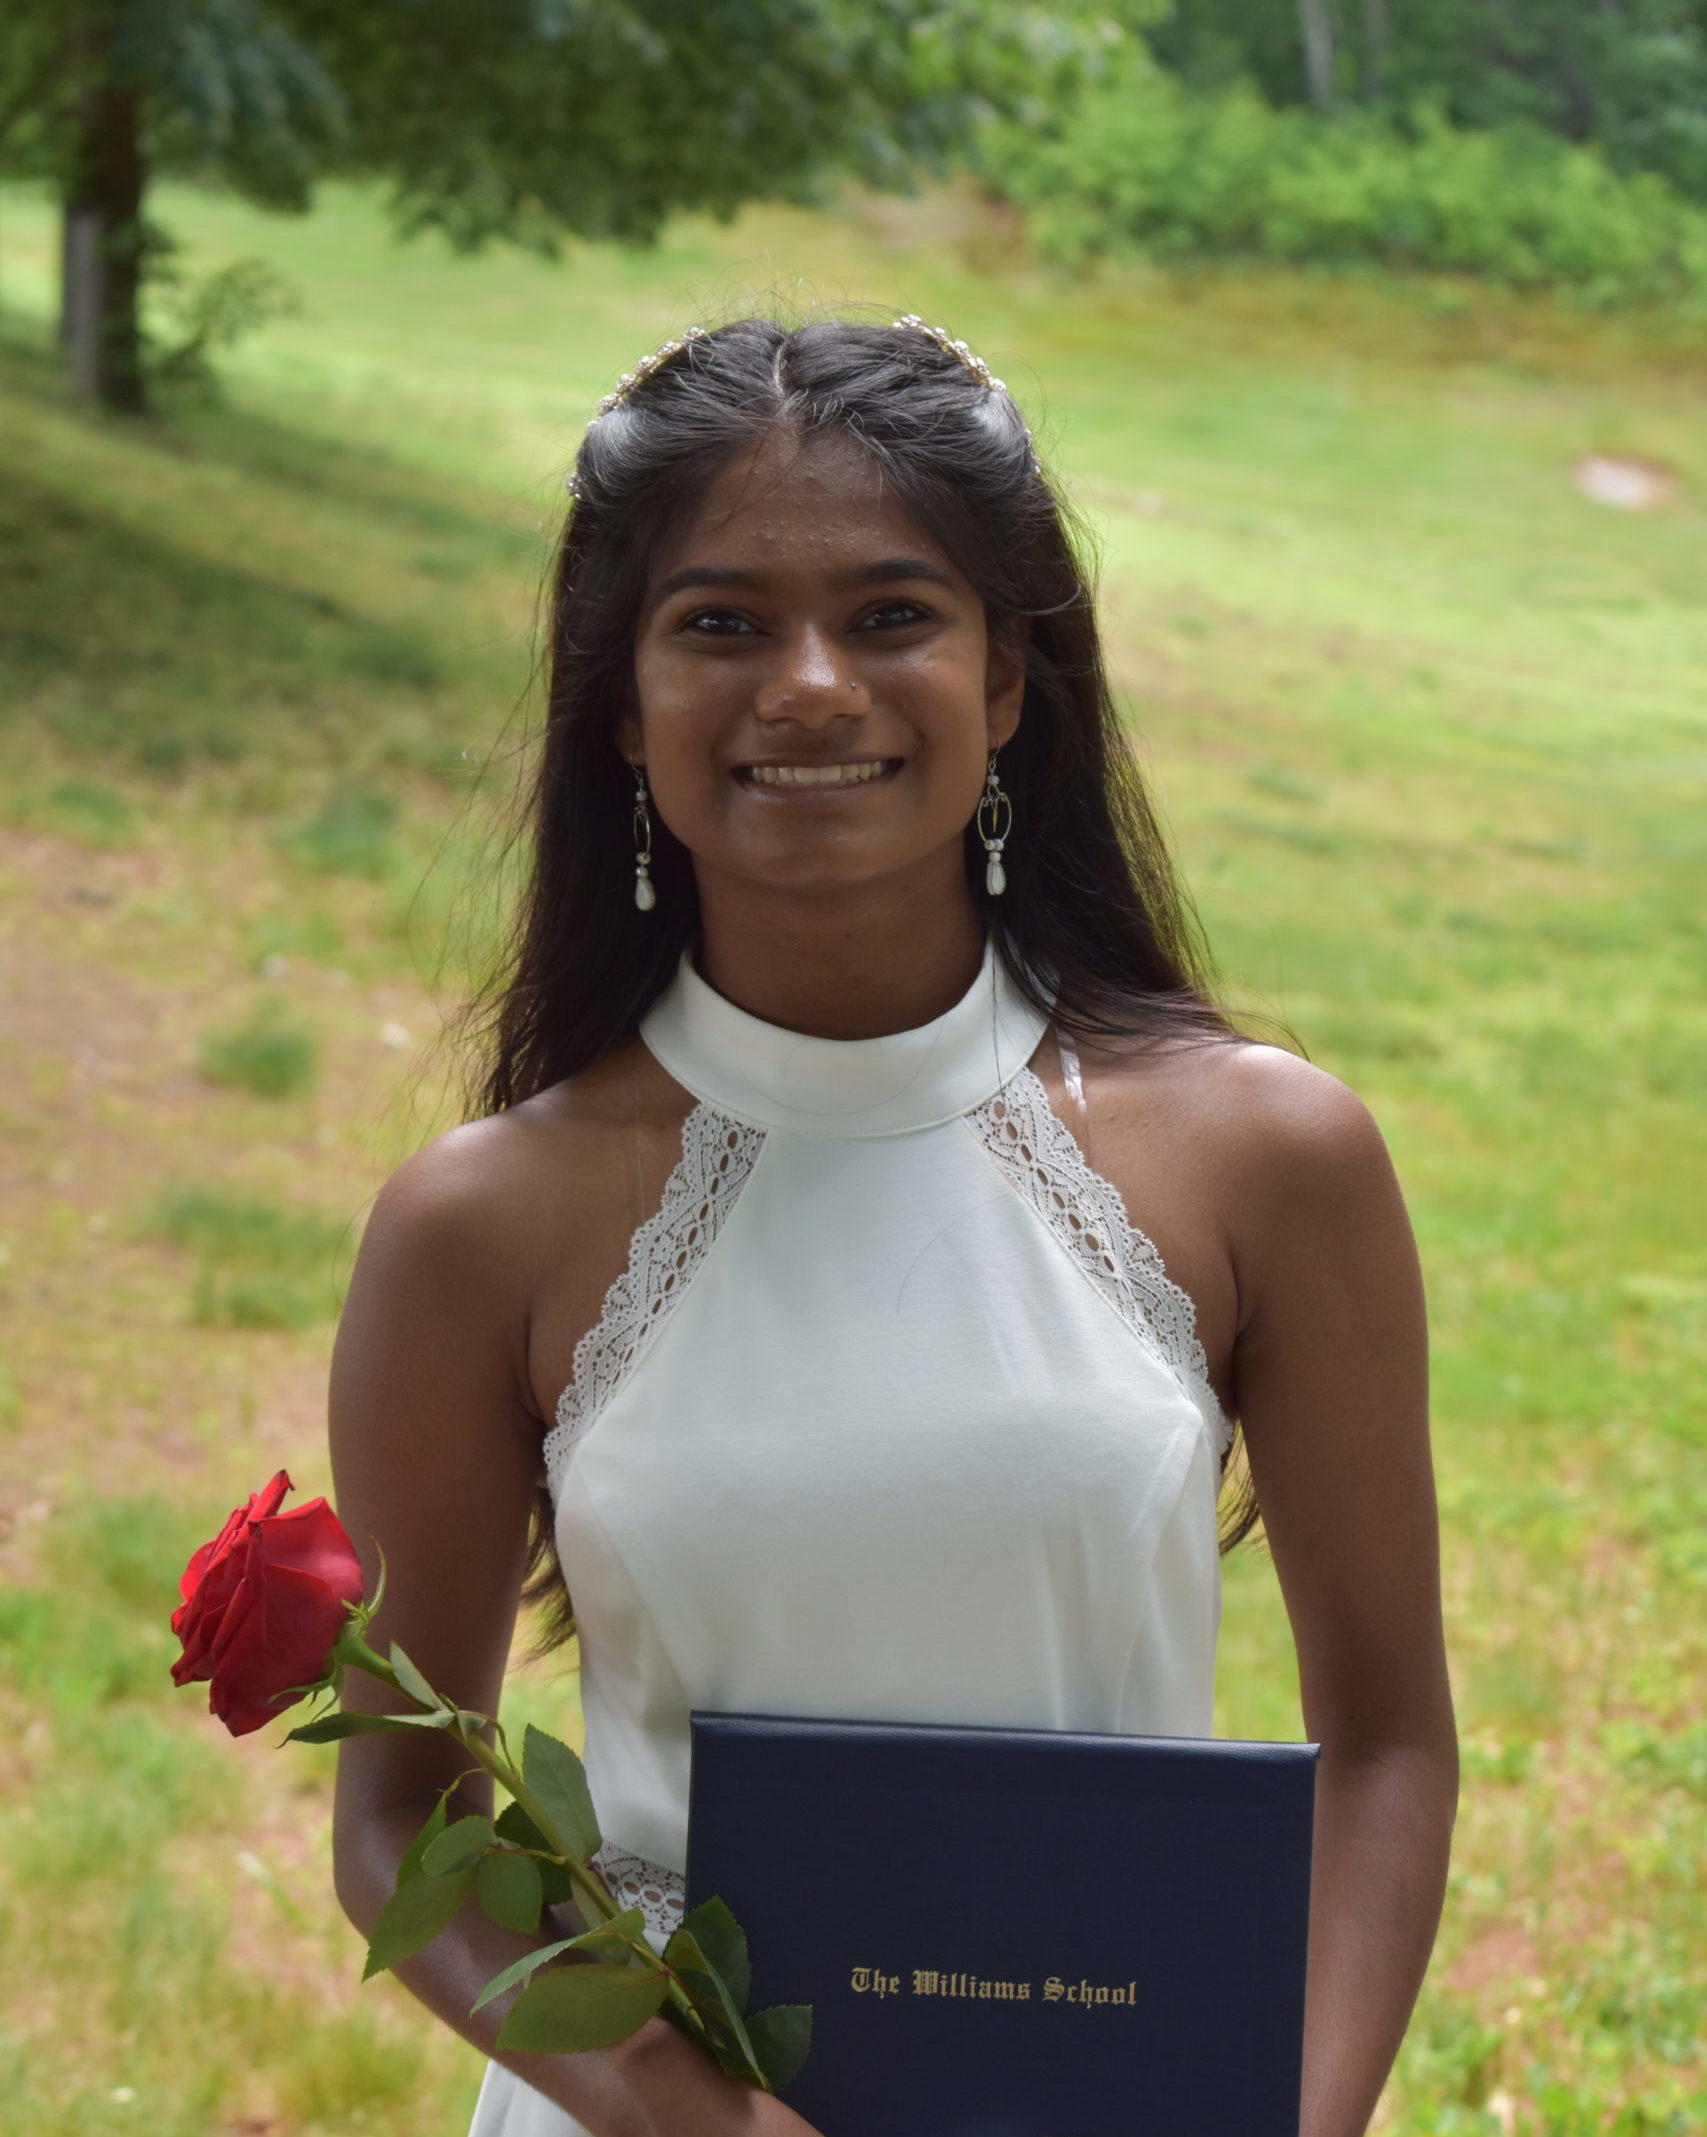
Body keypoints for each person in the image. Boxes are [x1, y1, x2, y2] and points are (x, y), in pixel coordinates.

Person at [327, 314, 1458, 2137]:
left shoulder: (1267, 1158)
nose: (811, 685)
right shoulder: (484, 1224)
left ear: (1009, 676)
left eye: (890, 615)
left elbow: (1390, 1743)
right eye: (719, 624)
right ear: (619, 701)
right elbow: (399, 1818)